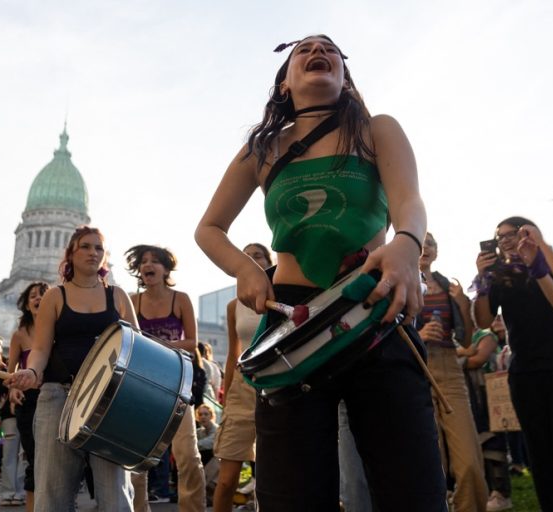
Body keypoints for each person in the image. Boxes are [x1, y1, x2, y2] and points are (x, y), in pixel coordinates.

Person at [195, 34, 446, 510]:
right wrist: (246, 270)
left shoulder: (377, 129)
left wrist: (406, 244)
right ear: (285, 83)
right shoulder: (262, 148)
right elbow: (209, 228)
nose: (319, 52)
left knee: (411, 487)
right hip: (293, 323)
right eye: (303, 50)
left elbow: (409, 201)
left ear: (344, 76)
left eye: (329, 49)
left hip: (373, 305)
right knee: (292, 492)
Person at [6, 226, 137, 512]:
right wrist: (32, 372)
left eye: (98, 248)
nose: (93, 253)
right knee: (53, 495)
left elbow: (136, 349)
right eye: (86, 247)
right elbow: (40, 349)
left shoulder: (118, 296)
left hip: (108, 400)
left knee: (115, 495)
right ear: (70, 254)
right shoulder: (55, 296)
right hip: (59, 396)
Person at [473, 217, 553, 511]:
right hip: (524, 371)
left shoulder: (546, 264)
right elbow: (482, 321)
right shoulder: (499, 276)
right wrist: (481, 280)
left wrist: (538, 246)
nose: (505, 240)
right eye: (499, 236)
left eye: (512, 233)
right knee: (538, 449)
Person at [124, 244, 207, 512]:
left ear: (166, 268)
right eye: (144, 261)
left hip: (177, 382)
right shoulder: (131, 300)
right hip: (143, 384)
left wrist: (162, 344)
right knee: (137, 458)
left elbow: (193, 342)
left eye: (154, 261)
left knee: (187, 455)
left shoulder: (180, 298)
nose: (148, 265)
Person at [417, 232, 487, 511]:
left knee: (469, 461)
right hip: (417, 369)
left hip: (450, 366)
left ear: (436, 252)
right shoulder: (400, 282)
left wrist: (464, 305)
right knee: (430, 461)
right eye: (420, 243)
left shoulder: (451, 288)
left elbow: (469, 342)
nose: (425, 248)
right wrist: (418, 335)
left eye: (430, 243)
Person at [213, 243, 271, 512]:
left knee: (270, 479)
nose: (250, 261)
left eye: (257, 256)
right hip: (241, 387)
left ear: (269, 262)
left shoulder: (280, 296)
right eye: (245, 257)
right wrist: (226, 395)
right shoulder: (233, 305)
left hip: (274, 385)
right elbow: (232, 353)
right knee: (226, 480)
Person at [456, 316, 514, 511]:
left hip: (487, 396)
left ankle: (501, 492)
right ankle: (484, 490)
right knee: (475, 444)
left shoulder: (486, 335)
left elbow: (478, 359)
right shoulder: (457, 339)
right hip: (466, 395)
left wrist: (457, 357)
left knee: (494, 442)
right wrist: (465, 353)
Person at [7, 281, 50, 512]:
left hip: (56, 396)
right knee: (34, 457)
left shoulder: (59, 331)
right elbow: (10, 371)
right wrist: (13, 388)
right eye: (33, 295)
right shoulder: (20, 335)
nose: (38, 298)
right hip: (30, 399)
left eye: (44, 295)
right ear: (27, 303)